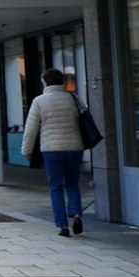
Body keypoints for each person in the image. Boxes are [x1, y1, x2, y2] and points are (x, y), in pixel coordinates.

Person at [23, 68, 87, 237]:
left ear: (45, 82)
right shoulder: (73, 98)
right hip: (74, 148)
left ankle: (63, 226)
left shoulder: (39, 101)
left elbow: (31, 129)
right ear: (62, 82)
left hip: (52, 150)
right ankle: (77, 214)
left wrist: (27, 151)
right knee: (72, 183)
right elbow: (85, 118)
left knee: (56, 187)